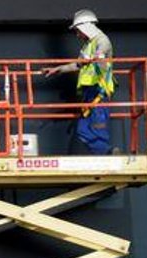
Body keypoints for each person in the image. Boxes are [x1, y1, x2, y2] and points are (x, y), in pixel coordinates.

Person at [43, 9, 115, 155]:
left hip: (99, 91)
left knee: (97, 127)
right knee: (83, 131)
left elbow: (102, 51)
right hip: (89, 93)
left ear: (86, 26)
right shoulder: (86, 46)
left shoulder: (102, 40)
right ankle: (107, 153)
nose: (77, 34)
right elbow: (77, 65)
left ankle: (108, 154)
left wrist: (96, 56)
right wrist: (56, 69)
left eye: (78, 30)